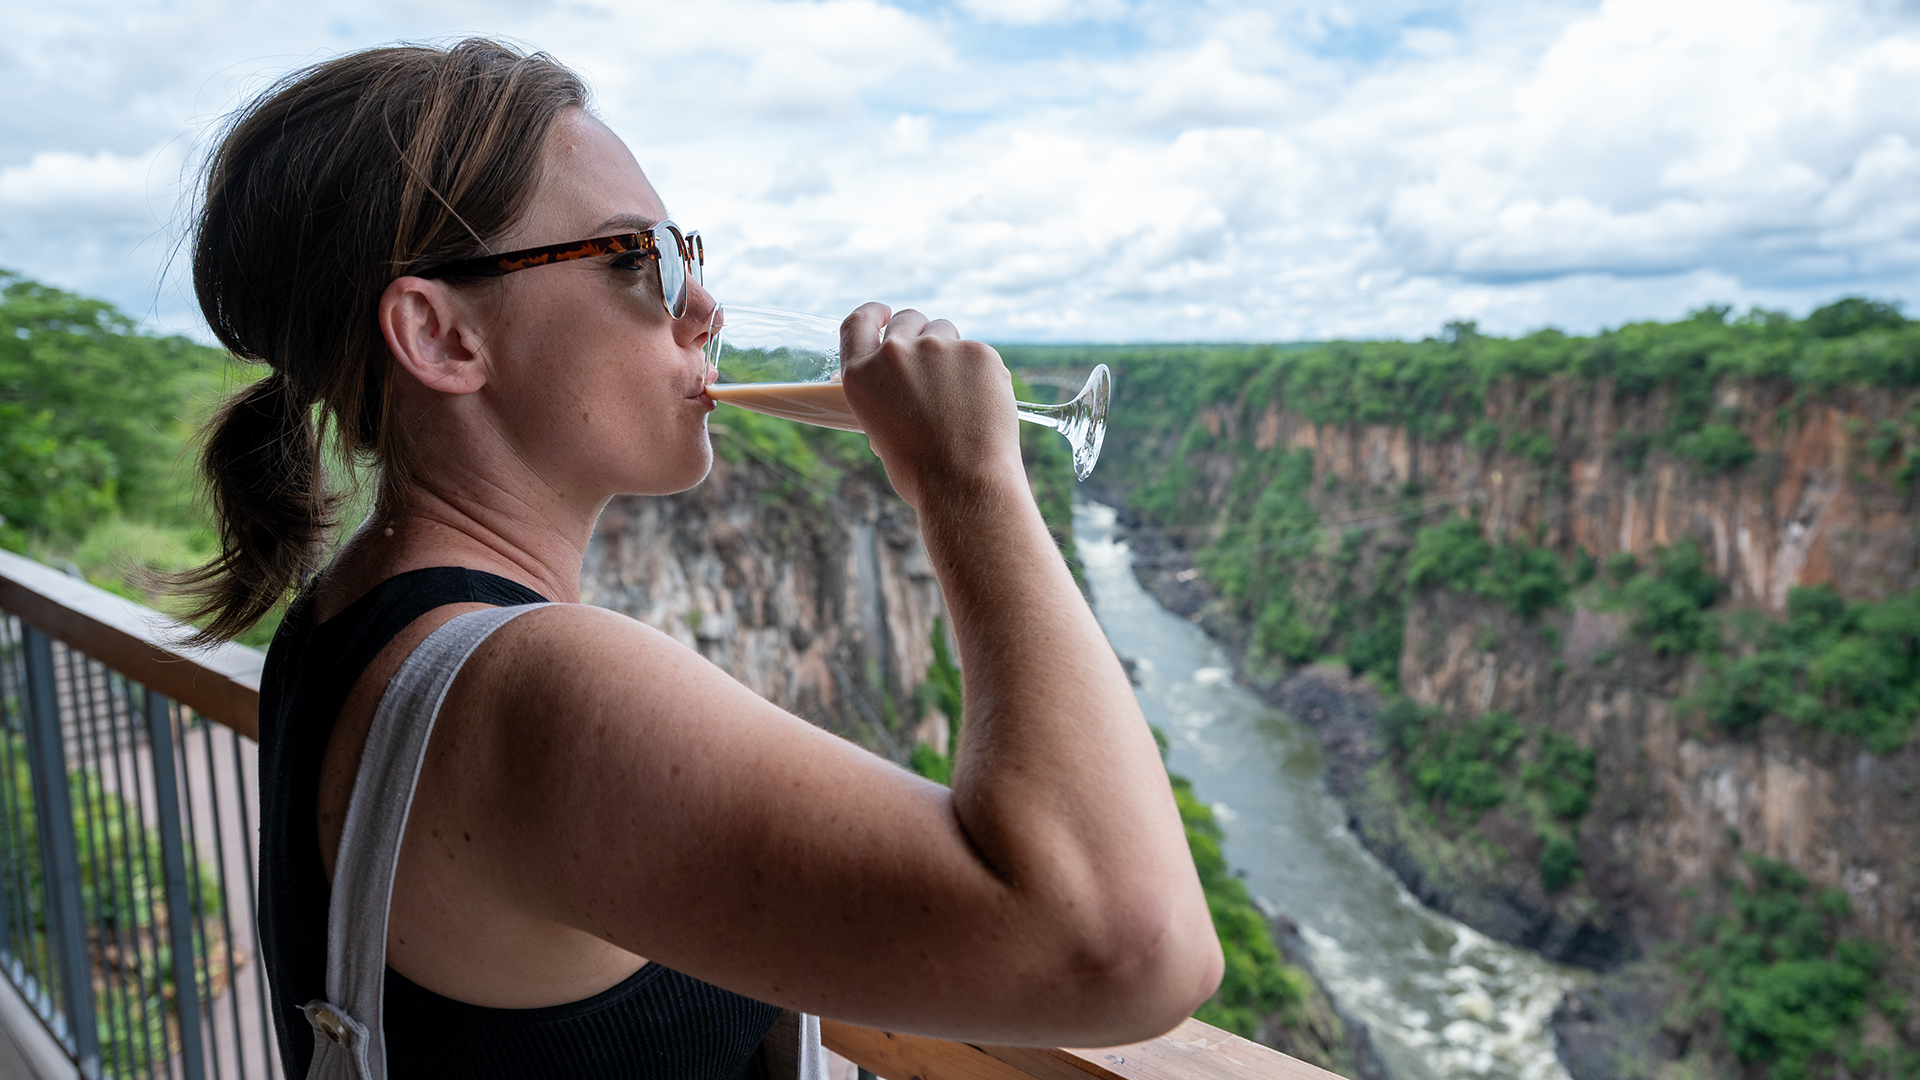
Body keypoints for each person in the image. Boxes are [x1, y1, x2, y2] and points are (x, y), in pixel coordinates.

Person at [179, 38, 1222, 1080]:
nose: (701, 309)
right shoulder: (535, 691)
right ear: (443, 338)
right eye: (637, 260)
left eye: (686, 254)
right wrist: (972, 484)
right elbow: (1130, 943)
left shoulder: (343, 622)